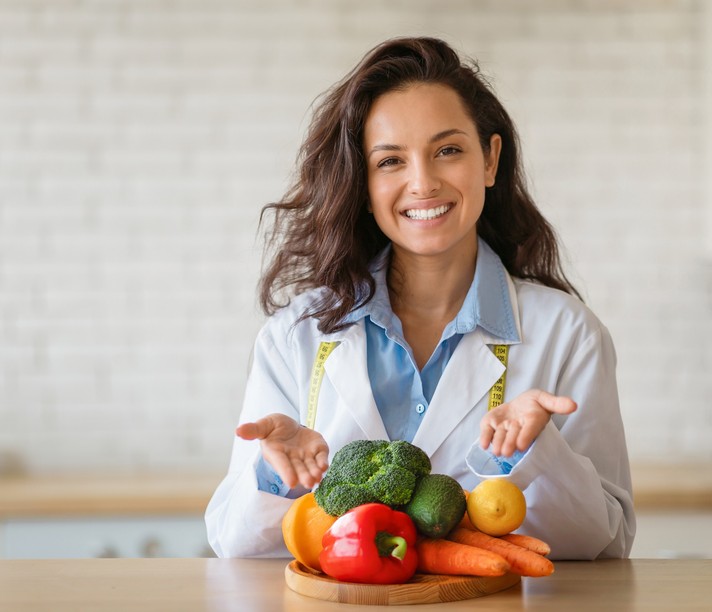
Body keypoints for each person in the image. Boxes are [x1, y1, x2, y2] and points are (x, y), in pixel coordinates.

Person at [205, 36, 635, 560]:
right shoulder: (295, 335)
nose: (422, 182)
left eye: (448, 150)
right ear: (362, 183)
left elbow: (605, 543)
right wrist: (280, 474)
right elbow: (232, 542)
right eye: (390, 161)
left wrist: (534, 451)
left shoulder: (568, 334)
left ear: (490, 160)